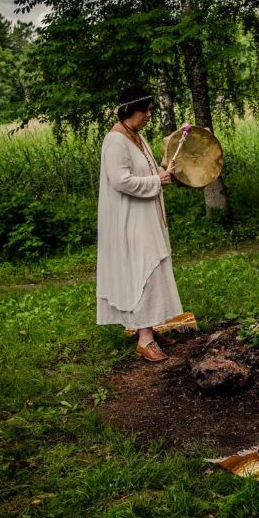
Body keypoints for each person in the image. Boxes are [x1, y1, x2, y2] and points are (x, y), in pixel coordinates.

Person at [96, 86, 182, 361]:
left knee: (153, 270)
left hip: (146, 216)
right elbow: (119, 179)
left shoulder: (136, 136)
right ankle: (144, 339)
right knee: (144, 272)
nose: (149, 115)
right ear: (130, 110)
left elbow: (144, 168)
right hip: (130, 219)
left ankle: (150, 328)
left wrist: (162, 171)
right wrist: (156, 182)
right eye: (146, 110)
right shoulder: (115, 140)